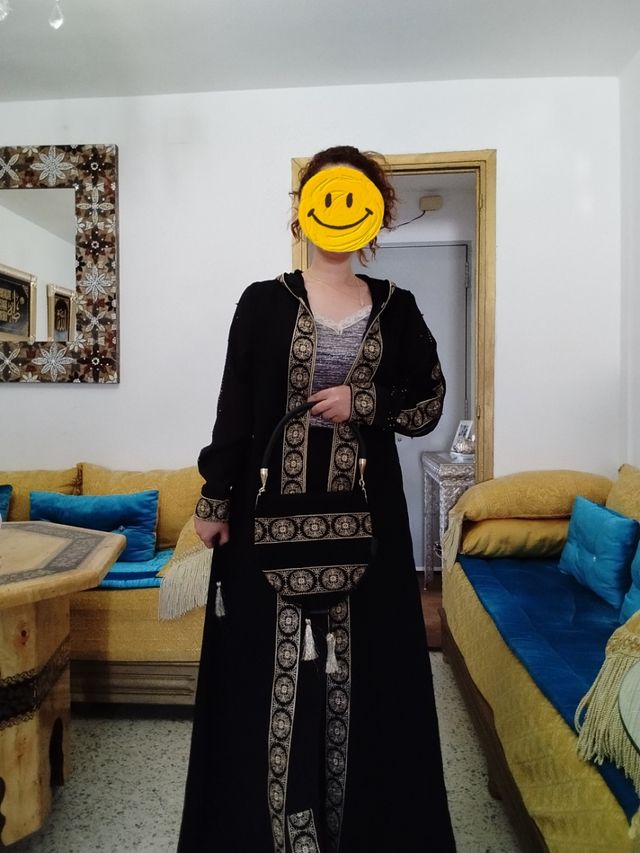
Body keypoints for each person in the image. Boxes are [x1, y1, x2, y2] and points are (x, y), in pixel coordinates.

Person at [178, 145, 456, 853]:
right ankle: (275, 828)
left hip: (369, 522)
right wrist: (215, 500)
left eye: (357, 197)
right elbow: (234, 407)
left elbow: (428, 402)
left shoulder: (397, 307)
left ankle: (355, 828)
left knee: (365, 672)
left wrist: (364, 401)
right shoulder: (262, 302)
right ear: (303, 209)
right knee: (267, 670)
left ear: (375, 215)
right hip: (267, 517)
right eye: (325, 196)